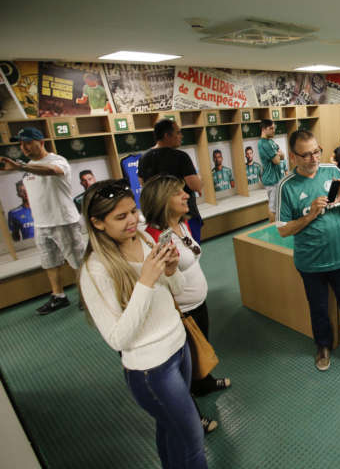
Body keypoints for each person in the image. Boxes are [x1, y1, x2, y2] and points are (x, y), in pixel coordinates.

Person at [78, 179, 209, 469]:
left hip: (179, 347)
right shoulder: (95, 270)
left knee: (170, 429)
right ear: (98, 223)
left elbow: (174, 288)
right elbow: (117, 339)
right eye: (120, 217)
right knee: (192, 440)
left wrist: (172, 270)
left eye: (133, 212)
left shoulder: (146, 238)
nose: (133, 221)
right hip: (153, 369)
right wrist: (146, 280)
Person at [276, 129, 340, 372]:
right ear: (293, 157)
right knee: (319, 309)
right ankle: (323, 346)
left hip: (339, 257)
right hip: (310, 263)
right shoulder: (286, 186)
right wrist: (311, 214)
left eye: (316, 151)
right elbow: (283, 230)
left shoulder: (332, 171)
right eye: (305, 155)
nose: (313, 158)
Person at [141, 175, 231, 397]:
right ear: (161, 200)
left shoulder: (182, 224)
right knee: (186, 359)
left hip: (198, 303)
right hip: (181, 311)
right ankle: (190, 401)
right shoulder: (152, 237)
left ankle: (204, 383)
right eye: (178, 192)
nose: (186, 195)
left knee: (201, 348)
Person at [0, 127, 85, 315]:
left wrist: (21, 166)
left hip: (63, 222)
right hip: (42, 225)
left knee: (78, 261)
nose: (24, 147)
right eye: (21, 144)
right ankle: (59, 296)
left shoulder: (57, 161)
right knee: (50, 262)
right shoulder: (28, 167)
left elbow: (51, 171)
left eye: (28, 142)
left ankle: (88, 295)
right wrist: (23, 167)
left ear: (41, 142)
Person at [138, 119, 204, 241]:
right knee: (191, 249)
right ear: (167, 135)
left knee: (169, 252)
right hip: (183, 215)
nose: (181, 136)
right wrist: (199, 179)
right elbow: (195, 185)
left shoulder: (144, 158)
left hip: (158, 217)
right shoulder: (180, 156)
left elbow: (143, 184)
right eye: (178, 133)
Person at [258, 119, 285, 221]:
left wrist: (278, 154)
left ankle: (277, 225)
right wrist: (278, 154)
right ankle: (272, 229)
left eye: (274, 128)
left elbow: (282, 156)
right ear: (264, 129)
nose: (274, 130)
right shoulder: (264, 144)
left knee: (277, 206)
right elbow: (277, 160)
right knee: (272, 208)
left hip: (277, 178)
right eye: (271, 128)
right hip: (271, 180)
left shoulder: (271, 141)